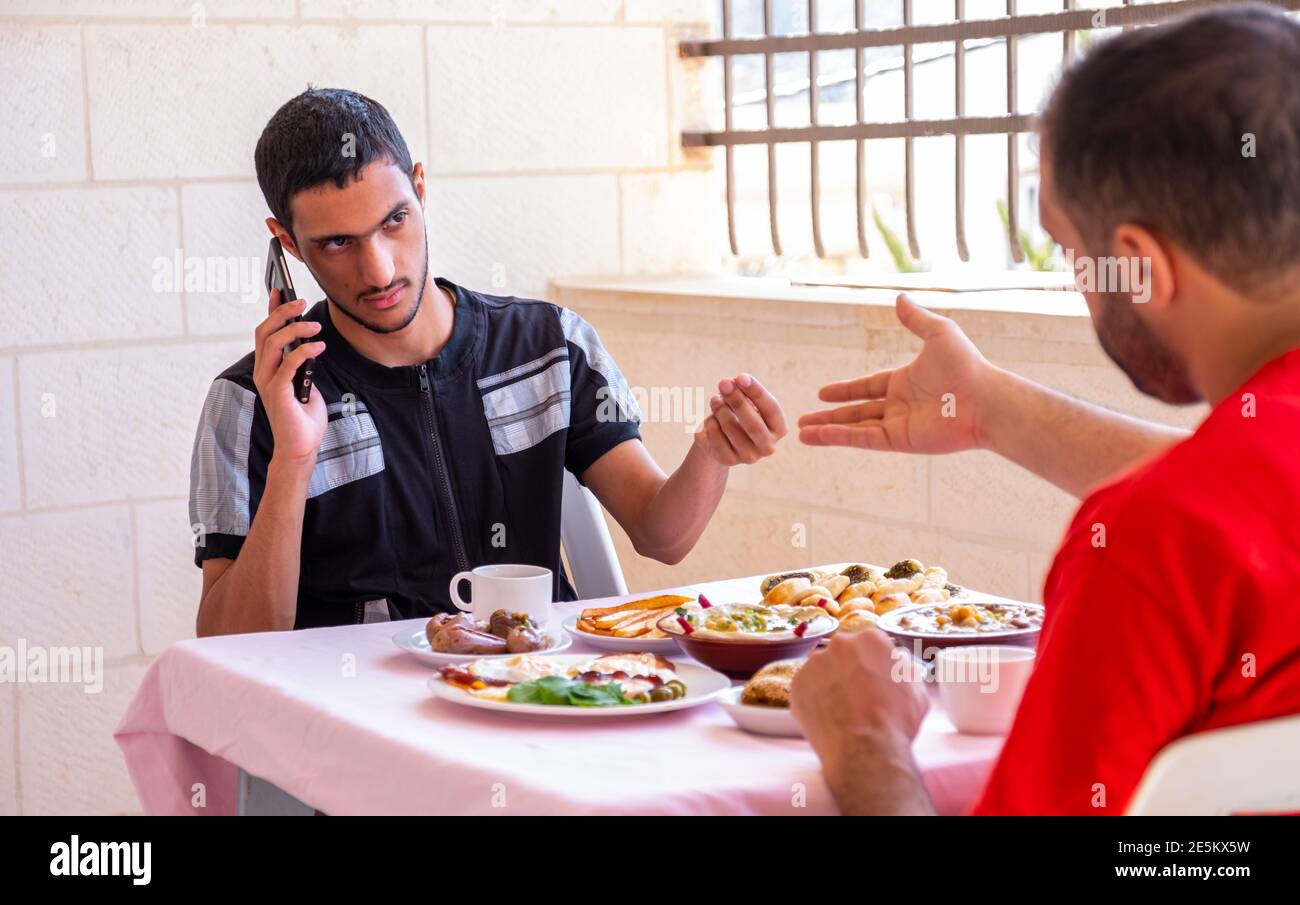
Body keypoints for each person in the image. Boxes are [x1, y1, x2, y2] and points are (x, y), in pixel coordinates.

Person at [789, 4, 1300, 814]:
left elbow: (1207, 513)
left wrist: (865, 742)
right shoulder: (1222, 506)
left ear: (1138, 265)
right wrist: (989, 405)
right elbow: (1253, 490)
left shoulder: (1150, 544)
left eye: (1071, 252)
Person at [190, 88, 787, 635]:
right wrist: (296, 457)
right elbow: (231, 644)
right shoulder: (251, 401)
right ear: (287, 244)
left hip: (539, 695)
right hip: (362, 727)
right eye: (338, 243)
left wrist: (712, 452)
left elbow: (662, 535)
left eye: (394, 220)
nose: (380, 271)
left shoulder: (548, 344)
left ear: (420, 190)